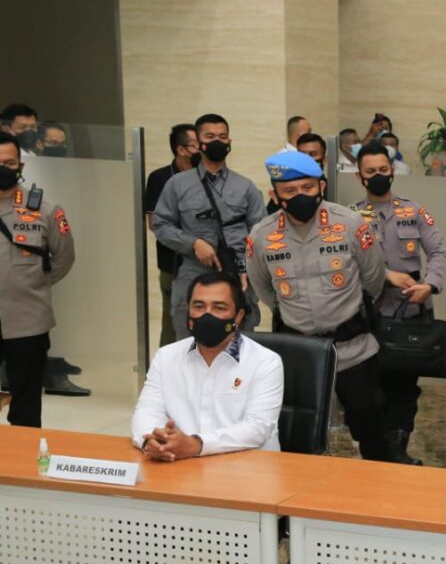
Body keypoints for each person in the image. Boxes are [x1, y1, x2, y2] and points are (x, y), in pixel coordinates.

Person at [246, 150, 392, 461]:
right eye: (290, 190)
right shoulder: (261, 236)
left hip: (353, 349)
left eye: (307, 187)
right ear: (275, 195)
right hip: (299, 353)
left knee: (371, 431)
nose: (300, 195)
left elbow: (373, 278)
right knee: (296, 437)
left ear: (321, 187)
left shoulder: (350, 224)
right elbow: (264, 289)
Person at [351, 140, 446, 464]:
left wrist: (430, 285)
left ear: (392, 171)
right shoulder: (349, 217)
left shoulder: (414, 211)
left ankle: (397, 450)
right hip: (368, 316)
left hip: (410, 314)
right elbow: (345, 263)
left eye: (383, 169)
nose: (378, 175)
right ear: (359, 176)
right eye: (371, 171)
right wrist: (386, 274)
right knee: (371, 389)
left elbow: (438, 252)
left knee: (405, 388)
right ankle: (376, 450)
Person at [131, 271, 284, 460]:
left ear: (238, 317)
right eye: (199, 306)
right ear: (188, 312)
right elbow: (147, 412)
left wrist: (197, 445)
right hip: (182, 465)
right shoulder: (166, 357)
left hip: (248, 469)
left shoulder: (266, 362)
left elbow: (257, 429)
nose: (207, 315)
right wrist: (151, 440)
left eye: (219, 307)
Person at [151, 113, 266, 338]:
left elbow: (260, 232)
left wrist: (247, 267)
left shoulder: (246, 187)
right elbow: (161, 224)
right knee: (189, 341)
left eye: (222, 137)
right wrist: (193, 243)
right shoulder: (177, 184)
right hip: (194, 271)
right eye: (210, 136)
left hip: (237, 274)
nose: (217, 141)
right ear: (198, 143)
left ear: (229, 141)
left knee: (239, 343)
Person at [0, 132, 76, 426]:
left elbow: (64, 258)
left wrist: (33, 284)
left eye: (9, 163)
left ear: (20, 166)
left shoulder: (45, 210)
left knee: (26, 404)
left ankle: (23, 454)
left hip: (28, 321)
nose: (3, 168)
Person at [145, 123, 200, 347]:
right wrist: (192, 240)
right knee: (173, 320)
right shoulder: (160, 178)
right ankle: (167, 365)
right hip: (173, 263)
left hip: (208, 261)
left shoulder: (207, 176)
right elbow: (155, 223)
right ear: (181, 150)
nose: (202, 148)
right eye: (196, 144)